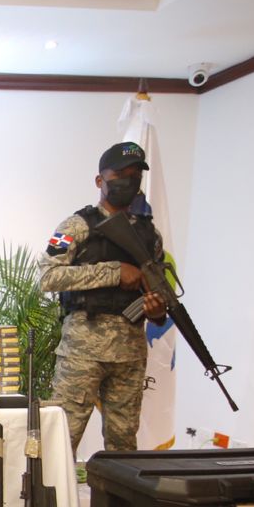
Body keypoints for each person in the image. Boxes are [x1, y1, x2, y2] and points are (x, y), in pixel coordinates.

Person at [38, 141, 167, 453]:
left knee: (123, 447)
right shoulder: (74, 226)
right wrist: (113, 272)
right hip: (83, 352)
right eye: (120, 175)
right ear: (100, 180)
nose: (128, 182)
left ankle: (112, 490)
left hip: (130, 354)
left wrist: (156, 311)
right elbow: (48, 277)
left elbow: (157, 295)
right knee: (61, 441)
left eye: (135, 176)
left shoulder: (150, 234)